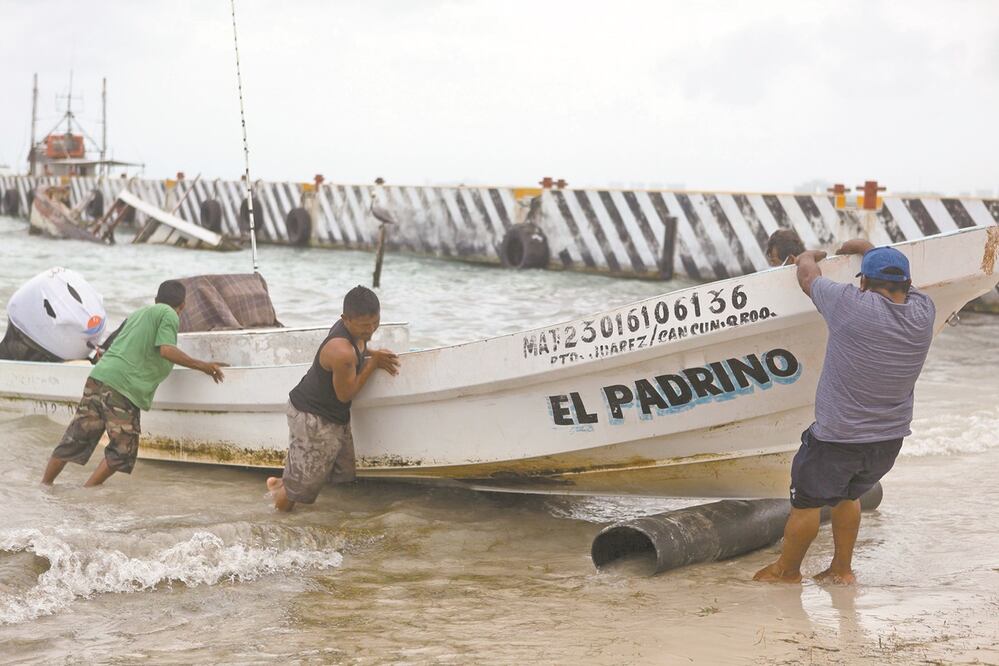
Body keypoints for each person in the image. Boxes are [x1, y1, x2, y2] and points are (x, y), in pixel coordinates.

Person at [754, 238, 936, 585]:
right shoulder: (923, 312)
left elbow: (808, 278)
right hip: (889, 440)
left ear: (863, 282)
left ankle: (787, 571)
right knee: (848, 495)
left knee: (806, 504)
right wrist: (871, 251)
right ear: (908, 284)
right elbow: (909, 287)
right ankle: (842, 568)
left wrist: (805, 256)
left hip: (838, 439)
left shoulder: (851, 305)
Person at [41, 280, 227, 487]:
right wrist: (203, 366)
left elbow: (114, 344)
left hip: (100, 377)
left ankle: (45, 486)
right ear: (183, 305)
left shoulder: (139, 314)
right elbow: (166, 350)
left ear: (155, 299)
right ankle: (88, 490)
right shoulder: (168, 314)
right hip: (122, 387)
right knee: (123, 450)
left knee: (76, 437)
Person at [268, 285, 400, 511]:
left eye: (375, 323)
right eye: (364, 326)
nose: (370, 331)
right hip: (312, 418)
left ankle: (280, 482)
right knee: (296, 493)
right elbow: (345, 394)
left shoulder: (353, 334)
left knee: (336, 474)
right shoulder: (341, 351)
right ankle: (278, 516)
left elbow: (359, 350)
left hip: (333, 416)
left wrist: (373, 353)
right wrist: (373, 364)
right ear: (345, 320)